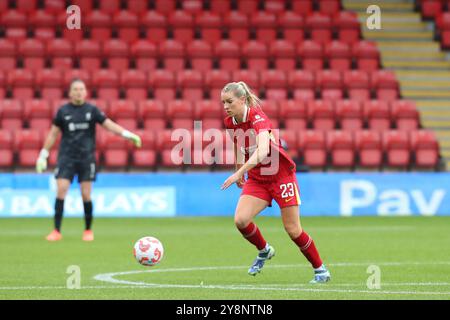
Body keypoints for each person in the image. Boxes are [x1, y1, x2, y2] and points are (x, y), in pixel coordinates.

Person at [220, 82, 331, 284]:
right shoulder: (230, 122)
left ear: (242, 100)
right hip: (258, 179)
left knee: (293, 230)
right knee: (241, 220)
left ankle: (320, 270)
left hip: (281, 177)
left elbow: (262, 152)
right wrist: (238, 169)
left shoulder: (258, 118)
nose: (226, 106)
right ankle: (264, 250)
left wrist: (239, 174)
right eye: (223, 102)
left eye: (230, 102)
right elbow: (237, 144)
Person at [35, 79, 142, 242]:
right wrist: (43, 154)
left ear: (85, 92)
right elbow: (53, 134)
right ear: (70, 92)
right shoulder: (63, 111)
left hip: (86, 158)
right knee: (61, 190)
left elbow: (109, 125)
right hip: (66, 157)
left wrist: (128, 135)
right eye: (75, 89)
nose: (78, 92)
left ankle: (87, 230)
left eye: (81, 89)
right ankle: (56, 230)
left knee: (86, 194)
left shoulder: (92, 110)